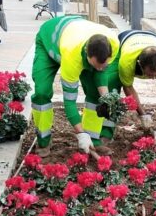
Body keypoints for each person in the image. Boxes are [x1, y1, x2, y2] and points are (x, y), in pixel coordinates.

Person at [30, 15, 119, 155]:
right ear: (86, 54)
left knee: (96, 94)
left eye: (104, 65)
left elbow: (101, 73)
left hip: (74, 34)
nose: (100, 68)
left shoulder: (113, 43)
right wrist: (81, 134)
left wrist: (106, 98)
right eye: (95, 65)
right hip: (49, 41)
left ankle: (93, 141)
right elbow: (69, 102)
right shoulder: (72, 57)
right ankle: (43, 140)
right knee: (42, 92)